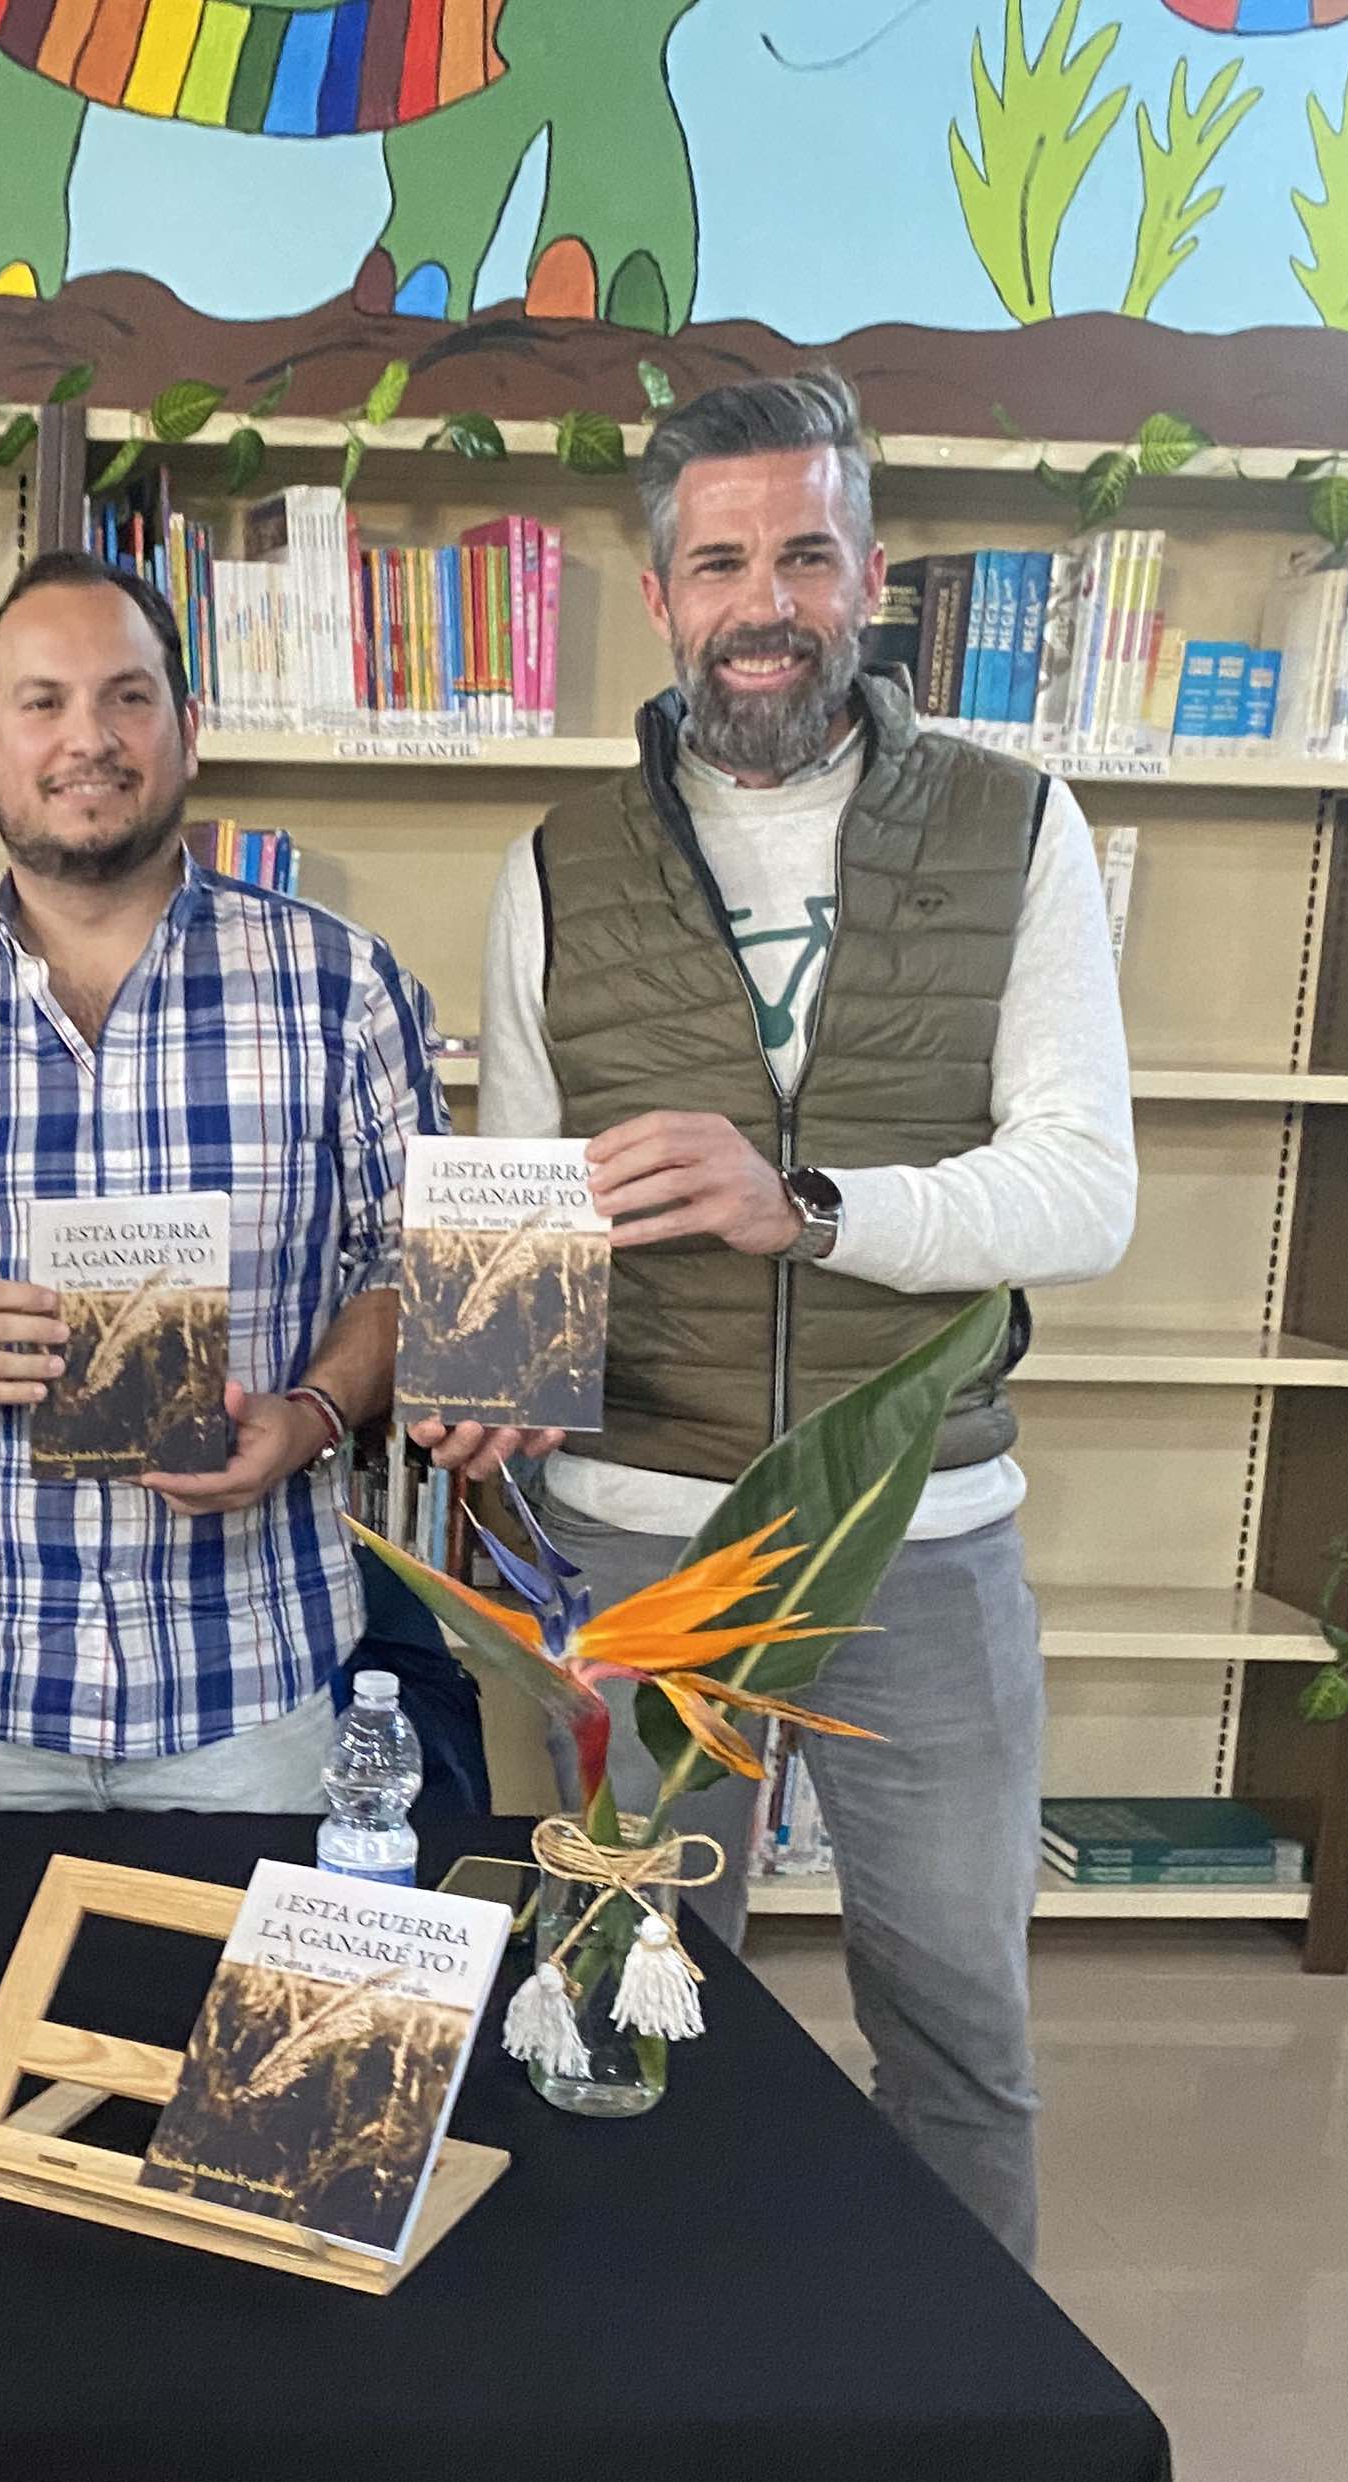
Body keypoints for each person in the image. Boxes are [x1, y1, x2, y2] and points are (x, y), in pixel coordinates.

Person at [433, 370, 1136, 2264]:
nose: (767, 600)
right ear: (658, 596)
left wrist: (807, 1208)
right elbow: (526, 1185)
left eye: (806, 554)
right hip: (636, 1550)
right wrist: (490, 1382)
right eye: (722, 558)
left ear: (869, 575)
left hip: (922, 1537)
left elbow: (1087, 1189)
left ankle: (964, 2439)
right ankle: (639, 2393)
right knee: (623, 2012)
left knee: (958, 2031)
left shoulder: (1016, 829)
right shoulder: (558, 865)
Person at [0, 551, 440, 1810]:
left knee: (241, 2016)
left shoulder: (342, 986)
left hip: (257, 1683)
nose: (88, 738)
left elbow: (422, 1268)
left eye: (127, 698)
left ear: (187, 730)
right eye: (42, 702)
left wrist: (309, 1417)